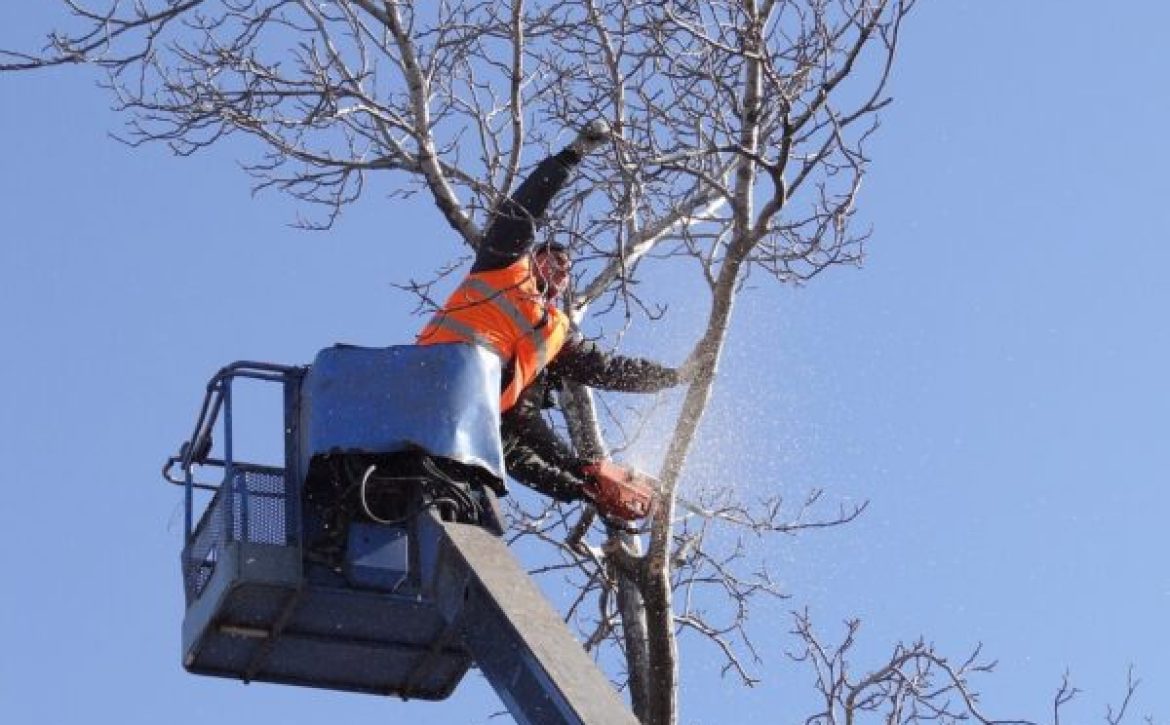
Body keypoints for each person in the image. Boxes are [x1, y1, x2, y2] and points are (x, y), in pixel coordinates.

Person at [417, 122, 692, 506]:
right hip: (429, 380)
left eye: (568, 269)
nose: (563, 272)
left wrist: (580, 483)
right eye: (555, 261)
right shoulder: (503, 268)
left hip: (461, 422)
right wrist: (571, 157)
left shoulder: (551, 336)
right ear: (533, 258)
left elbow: (521, 429)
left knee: (471, 495)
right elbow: (524, 210)